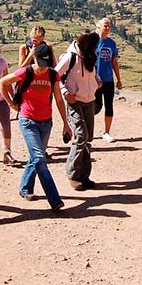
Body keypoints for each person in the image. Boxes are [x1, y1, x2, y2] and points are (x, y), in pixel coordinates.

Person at [0, 43, 73, 210]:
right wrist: (11, 104)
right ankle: (54, 199)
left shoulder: (53, 75)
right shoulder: (26, 72)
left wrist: (65, 124)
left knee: (35, 157)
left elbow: (59, 100)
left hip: (46, 122)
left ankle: (25, 187)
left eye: (46, 65)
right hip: (28, 121)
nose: (43, 68)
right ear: (35, 59)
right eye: (41, 64)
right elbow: (2, 83)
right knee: (39, 158)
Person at [55, 31, 101, 191]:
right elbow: (55, 76)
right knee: (81, 135)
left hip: (89, 100)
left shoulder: (89, 56)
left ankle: (84, 175)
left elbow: (91, 74)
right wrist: (65, 92)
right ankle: (73, 174)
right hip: (75, 101)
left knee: (88, 138)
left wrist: (96, 80)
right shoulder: (70, 57)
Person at [94, 17, 122, 143]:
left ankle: (106, 132)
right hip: (94, 80)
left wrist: (118, 79)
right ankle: (84, 126)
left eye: (109, 25)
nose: (107, 27)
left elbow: (114, 62)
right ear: (98, 27)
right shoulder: (93, 42)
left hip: (108, 80)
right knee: (96, 106)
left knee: (109, 105)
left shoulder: (111, 43)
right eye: (105, 25)